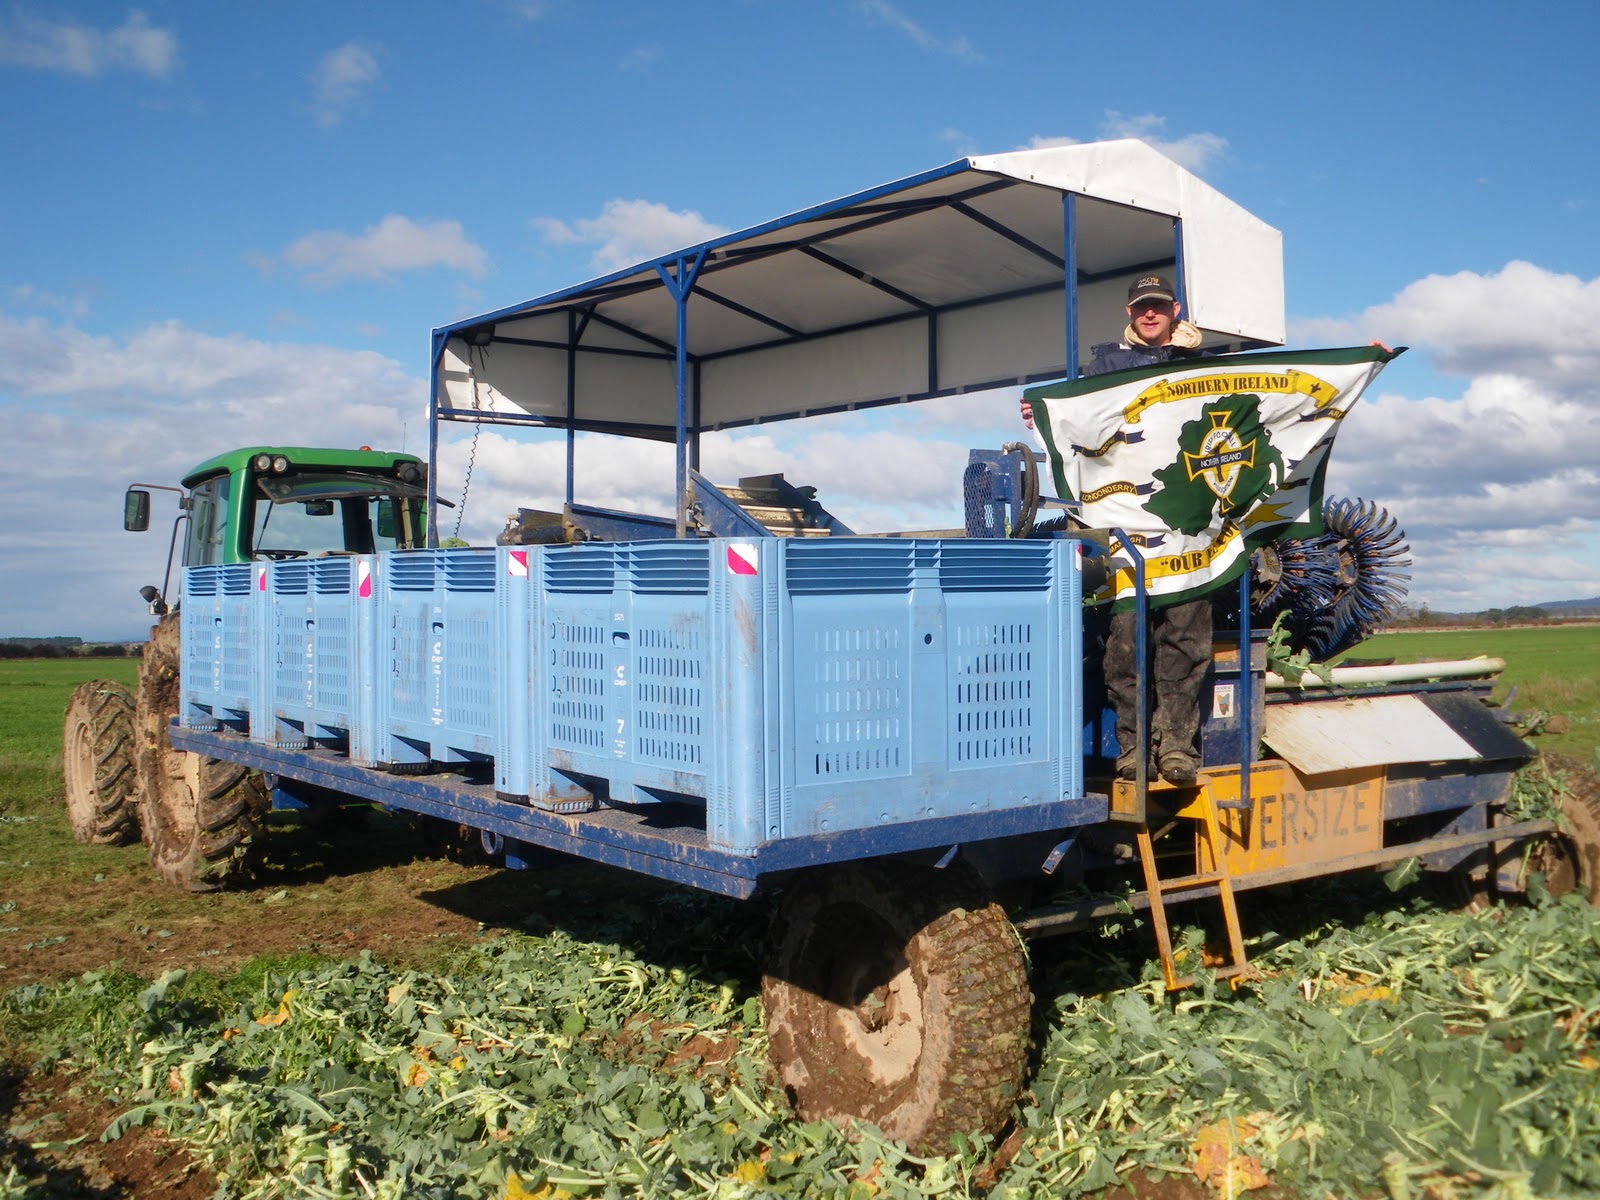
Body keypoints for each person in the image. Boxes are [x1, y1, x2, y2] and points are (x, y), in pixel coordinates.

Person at [1022, 274, 1211, 785]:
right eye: (1139, 308)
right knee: (1124, 642)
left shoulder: (1204, 367)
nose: (1148, 315)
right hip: (1124, 529)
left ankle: (1176, 748)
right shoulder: (1103, 367)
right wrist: (1042, 415)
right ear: (1130, 313)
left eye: (1157, 307)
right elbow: (1080, 425)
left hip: (1186, 530)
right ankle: (1133, 750)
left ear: (1173, 309)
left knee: (1185, 639)